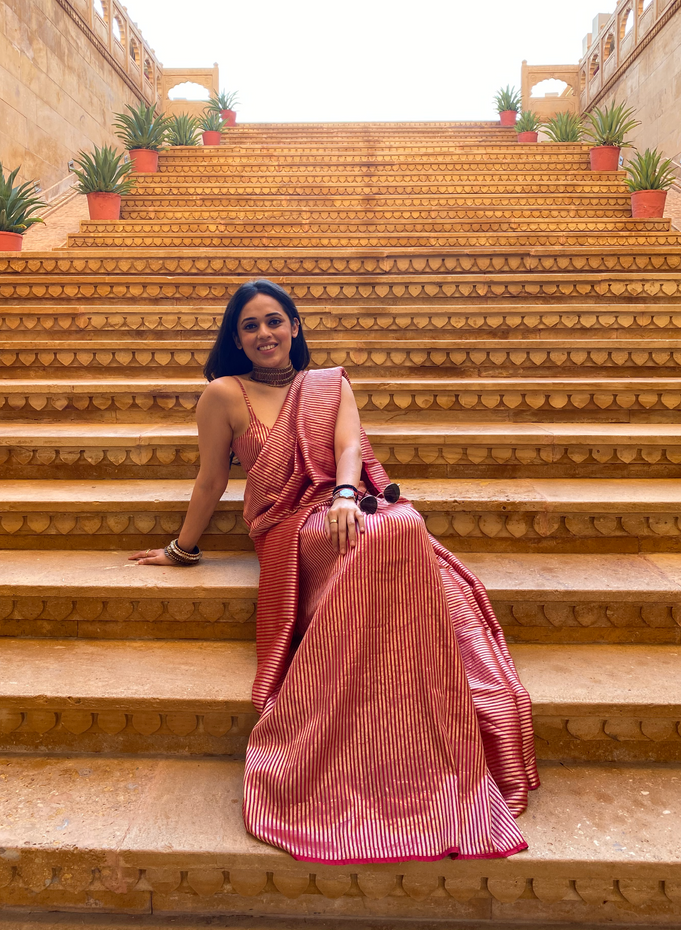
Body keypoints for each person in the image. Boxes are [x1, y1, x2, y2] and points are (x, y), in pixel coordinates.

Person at [130, 278, 539, 864]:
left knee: (402, 522)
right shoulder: (223, 394)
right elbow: (211, 479)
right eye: (250, 325)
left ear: (294, 327)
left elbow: (349, 447)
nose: (264, 333)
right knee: (383, 534)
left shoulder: (328, 383)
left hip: (344, 504)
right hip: (288, 526)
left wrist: (346, 494)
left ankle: (402, 687)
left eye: (274, 320)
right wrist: (181, 548)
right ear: (237, 340)